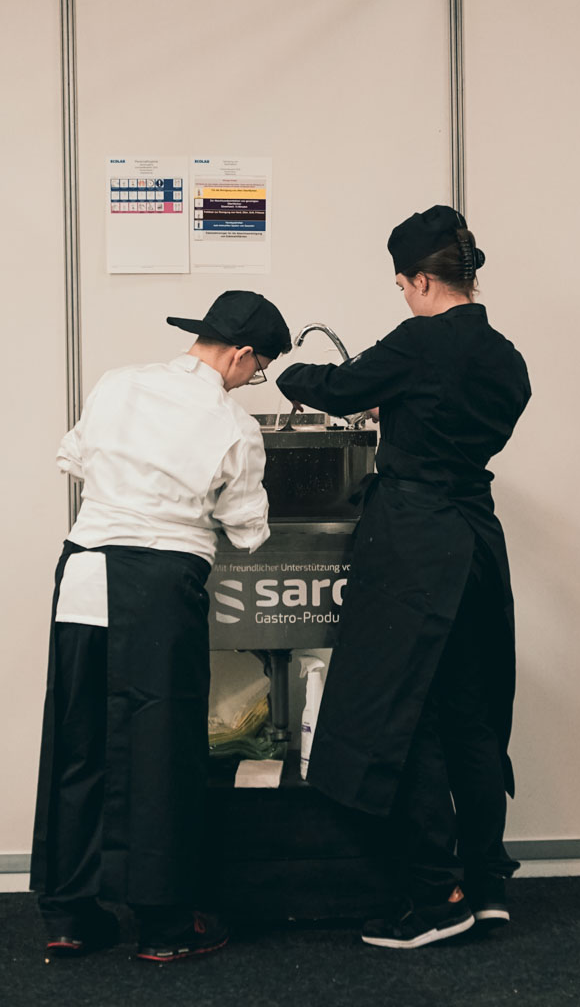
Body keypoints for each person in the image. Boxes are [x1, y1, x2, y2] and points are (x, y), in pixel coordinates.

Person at [277, 205, 531, 949]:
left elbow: (336, 386)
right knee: (472, 714)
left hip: (415, 539)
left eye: (401, 285)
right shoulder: (506, 356)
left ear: (421, 279)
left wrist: (288, 370)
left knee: (402, 711)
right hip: (476, 541)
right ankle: (485, 883)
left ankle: (434, 897)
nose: (404, 297)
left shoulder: (419, 341)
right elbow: (448, 420)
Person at [30, 290, 291, 962]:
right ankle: (165, 927)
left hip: (84, 570)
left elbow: (73, 459)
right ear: (240, 355)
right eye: (257, 370)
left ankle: (69, 916)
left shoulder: (117, 382)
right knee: (160, 748)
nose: (251, 379)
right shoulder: (233, 424)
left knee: (78, 738)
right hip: (158, 583)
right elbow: (248, 531)